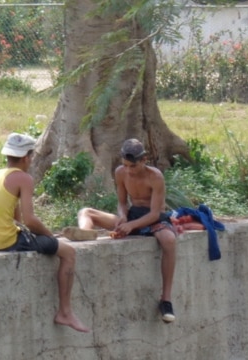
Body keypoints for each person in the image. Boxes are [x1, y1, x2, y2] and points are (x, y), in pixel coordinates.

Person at [0, 132, 90, 333]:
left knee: (45, 241)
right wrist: (50, 236)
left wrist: (38, 233)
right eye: (32, 157)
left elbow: (16, 217)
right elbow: (30, 220)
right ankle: (65, 312)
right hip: (5, 241)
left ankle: (65, 312)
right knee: (69, 253)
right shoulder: (23, 178)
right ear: (27, 157)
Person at [75, 138, 178, 323]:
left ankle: (166, 299)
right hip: (132, 216)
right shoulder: (120, 173)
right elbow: (122, 202)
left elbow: (156, 213)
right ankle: (86, 233)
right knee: (86, 212)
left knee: (169, 240)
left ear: (144, 160)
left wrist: (131, 225)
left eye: (133, 166)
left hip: (152, 219)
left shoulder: (155, 177)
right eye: (125, 165)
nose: (129, 170)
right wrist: (122, 216)